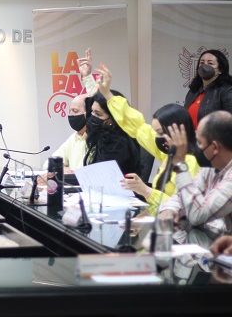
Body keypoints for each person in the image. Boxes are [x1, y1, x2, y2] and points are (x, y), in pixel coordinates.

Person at [95, 64, 203, 214]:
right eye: (155, 132)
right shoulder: (167, 154)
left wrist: (146, 191)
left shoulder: (191, 162)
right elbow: (138, 126)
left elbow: (182, 208)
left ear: (179, 131)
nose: (157, 138)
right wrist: (107, 94)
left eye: (161, 132)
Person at [159, 111, 232, 229]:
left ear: (215, 147)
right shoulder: (209, 170)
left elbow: (197, 214)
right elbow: (182, 196)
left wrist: (179, 163)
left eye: (199, 142)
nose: (196, 147)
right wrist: (169, 209)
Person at [83, 89, 141, 177]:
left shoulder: (120, 143)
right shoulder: (102, 135)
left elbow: (103, 174)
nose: (93, 117)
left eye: (98, 114)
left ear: (114, 118)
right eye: (92, 111)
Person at [184, 49, 232, 128]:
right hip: (191, 136)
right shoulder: (193, 91)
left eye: (210, 63)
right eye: (202, 63)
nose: (204, 66)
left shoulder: (227, 90)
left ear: (220, 70)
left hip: (214, 136)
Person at [42, 94, 88, 173]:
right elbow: (48, 164)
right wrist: (61, 169)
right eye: (70, 111)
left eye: (75, 111)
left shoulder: (97, 138)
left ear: (88, 113)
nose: (71, 115)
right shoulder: (74, 138)